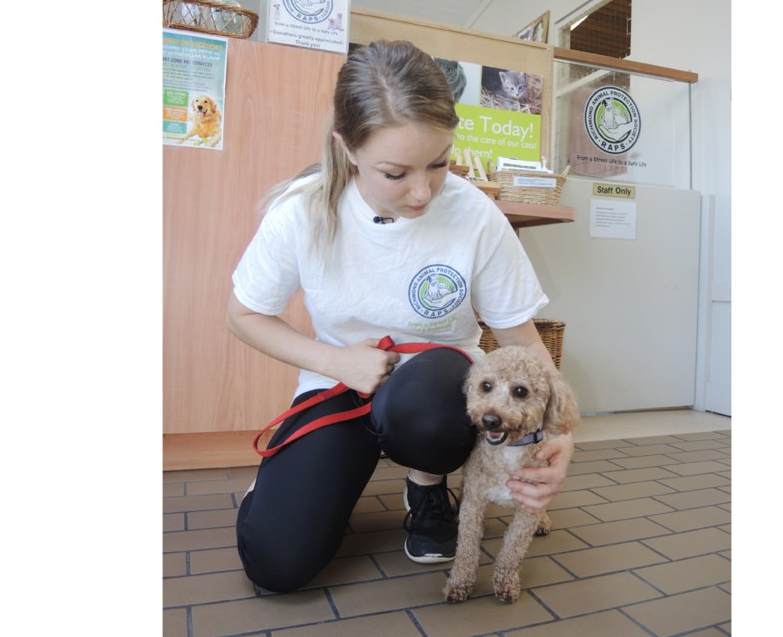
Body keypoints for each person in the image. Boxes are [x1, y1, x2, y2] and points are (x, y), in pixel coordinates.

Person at [227, 40, 575, 593]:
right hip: (339, 384)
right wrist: (336, 361)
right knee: (276, 566)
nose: (422, 193)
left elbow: (525, 343)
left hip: (435, 395)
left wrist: (562, 436)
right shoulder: (301, 209)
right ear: (347, 148)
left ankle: (427, 484)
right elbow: (244, 313)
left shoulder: (474, 216)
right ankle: (283, 488)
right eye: (395, 173)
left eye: (439, 163)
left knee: (432, 395)